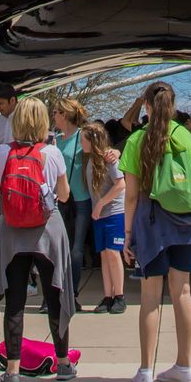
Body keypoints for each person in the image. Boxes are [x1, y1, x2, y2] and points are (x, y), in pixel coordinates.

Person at [121, 82, 191, 382]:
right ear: (173, 105)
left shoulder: (136, 140)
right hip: (183, 223)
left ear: (146, 105)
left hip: (150, 220)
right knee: (182, 292)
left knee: (149, 298)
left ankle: (145, 371)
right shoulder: (185, 135)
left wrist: (128, 234)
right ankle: (184, 366)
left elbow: (130, 196)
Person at [0, 99, 75, 382]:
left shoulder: (2, 152)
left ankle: (12, 371)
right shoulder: (52, 152)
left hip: (12, 232)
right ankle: (62, 364)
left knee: (15, 299)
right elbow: (64, 195)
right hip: (48, 231)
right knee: (55, 295)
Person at [52, 99, 96, 298]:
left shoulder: (83, 136)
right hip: (61, 199)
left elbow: (101, 153)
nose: (53, 115)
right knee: (59, 247)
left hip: (81, 199)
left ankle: (72, 292)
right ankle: (56, 291)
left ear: (64, 115)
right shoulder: (56, 140)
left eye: (55, 112)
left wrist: (114, 152)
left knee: (76, 249)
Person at [81, 121, 127, 312]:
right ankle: (108, 295)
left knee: (113, 253)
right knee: (104, 255)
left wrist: (101, 202)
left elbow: (120, 184)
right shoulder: (90, 159)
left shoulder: (109, 159)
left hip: (113, 212)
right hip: (98, 214)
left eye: (83, 139)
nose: (81, 143)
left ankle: (120, 296)